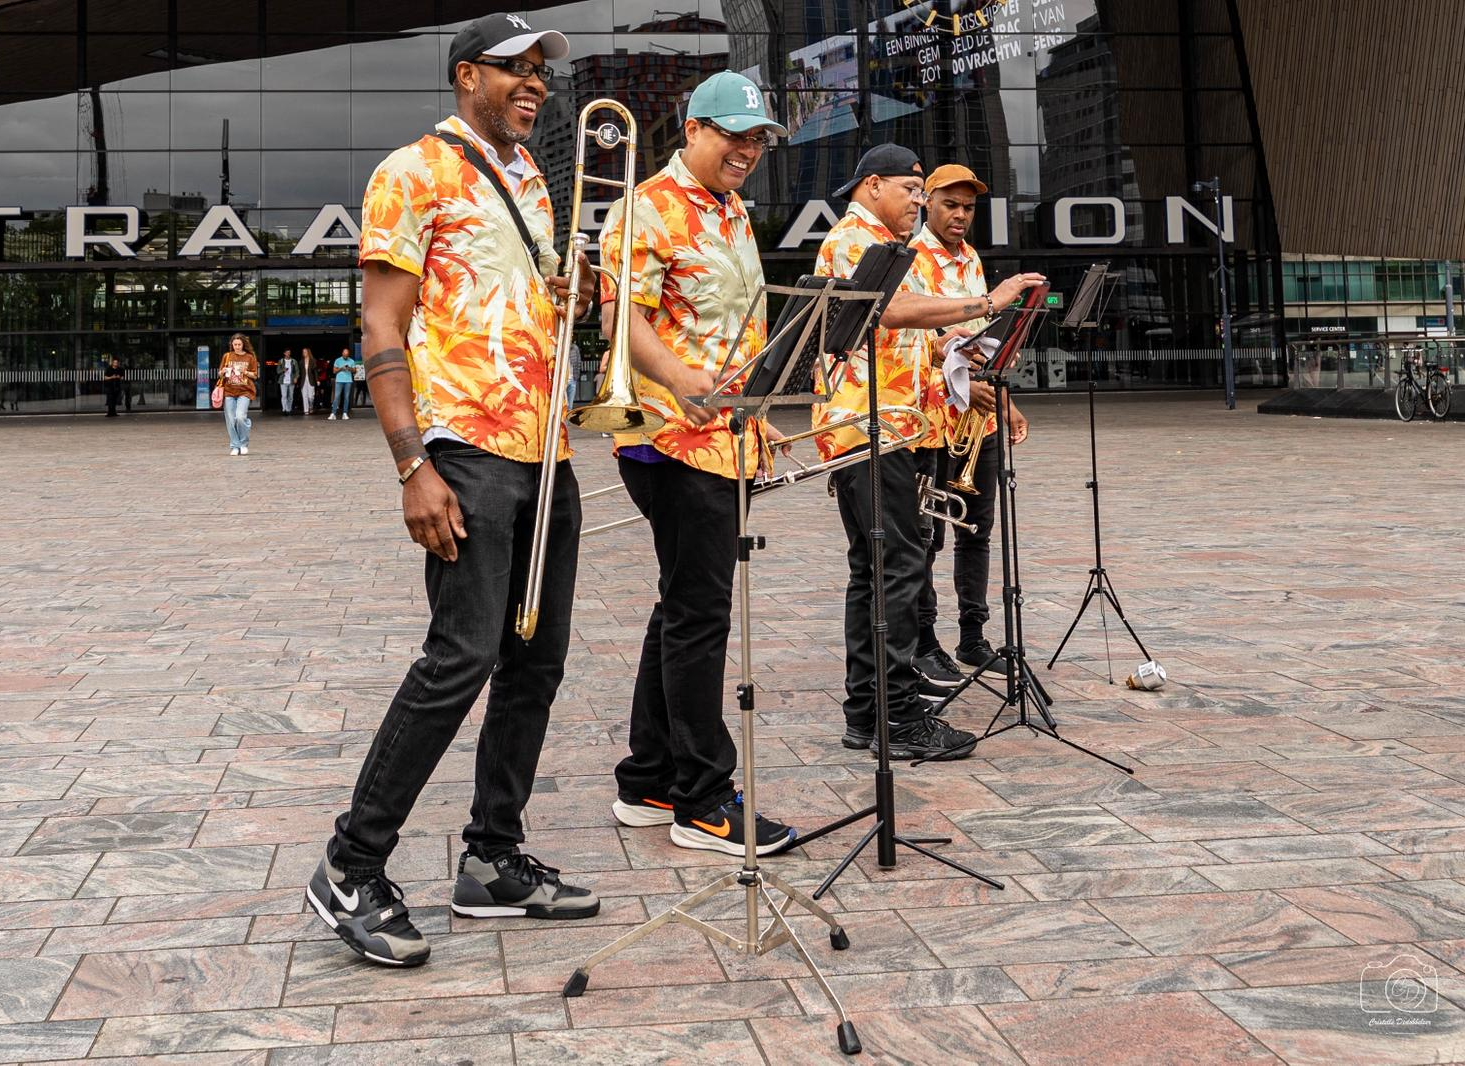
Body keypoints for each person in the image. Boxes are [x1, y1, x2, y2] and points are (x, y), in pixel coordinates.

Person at [306, 11, 598, 969]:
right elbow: (382, 328)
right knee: (460, 657)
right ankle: (352, 863)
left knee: (536, 663)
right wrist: (410, 465)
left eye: (543, 74)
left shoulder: (532, 182)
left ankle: (494, 858)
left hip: (545, 449)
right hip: (463, 448)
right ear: (468, 75)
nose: (536, 85)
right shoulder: (412, 171)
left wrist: (574, 293)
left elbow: (522, 308)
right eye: (516, 70)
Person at [597, 72, 797, 857]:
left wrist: (761, 418)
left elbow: (740, 333)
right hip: (668, 438)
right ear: (691, 129)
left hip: (725, 437)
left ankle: (649, 779)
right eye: (733, 135)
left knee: (680, 606)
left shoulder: (733, 211)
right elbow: (620, 320)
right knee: (700, 616)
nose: (747, 150)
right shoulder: (647, 206)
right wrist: (684, 382)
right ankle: (704, 801)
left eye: (758, 140)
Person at [813, 145, 1043, 760]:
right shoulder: (855, 239)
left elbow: (915, 336)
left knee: (876, 569)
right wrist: (989, 304)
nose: (918, 201)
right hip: (871, 425)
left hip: (894, 423)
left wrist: (975, 352)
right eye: (911, 190)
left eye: (922, 192)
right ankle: (896, 714)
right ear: (871, 186)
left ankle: (868, 711)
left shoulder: (887, 244)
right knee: (898, 568)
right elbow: (889, 314)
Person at [912, 164, 1041, 682]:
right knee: (924, 537)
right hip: (927, 419)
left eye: (968, 207)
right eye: (951, 205)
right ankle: (922, 641)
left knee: (977, 531)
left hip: (975, 419)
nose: (961, 215)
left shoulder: (971, 259)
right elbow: (920, 340)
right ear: (927, 201)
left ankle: (972, 636)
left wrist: (1002, 399)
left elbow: (981, 339)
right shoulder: (910, 259)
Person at [218, 333, 259, 455]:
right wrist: (223, 371)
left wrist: (244, 371)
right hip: (229, 391)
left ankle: (243, 443)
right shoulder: (227, 356)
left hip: (245, 391)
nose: (237, 346)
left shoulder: (250, 357)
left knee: (240, 417)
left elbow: (255, 375)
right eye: (234, 344)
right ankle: (235, 446)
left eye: (239, 344)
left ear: (243, 344)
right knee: (231, 419)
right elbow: (220, 374)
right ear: (231, 345)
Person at [330, 347, 357, 420]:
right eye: (344, 354)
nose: (345, 355)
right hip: (339, 381)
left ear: (348, 355)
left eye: (347, 354)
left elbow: (355, 371)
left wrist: (349, 369)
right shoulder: (338, 360)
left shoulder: (351, 361)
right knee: (336, 397)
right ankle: (333, 413)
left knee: (346, 398)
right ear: (342, 353)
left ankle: (345, 413)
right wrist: (341, 368)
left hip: (348, 381)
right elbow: (334, 371)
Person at [278, 349, 296, 414]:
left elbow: (297, 371)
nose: (288, 354)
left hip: (291, 381)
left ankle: (289, 409)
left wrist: (296, 377)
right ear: (284, 353)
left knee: (291, 396)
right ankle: (284, 409)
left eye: (289, 353)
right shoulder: (281, 361)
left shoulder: (294, 361)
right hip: (283, 381)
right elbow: (278, 371)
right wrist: (283, 370)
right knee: (284, 396)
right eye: (287, 353)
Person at [299, 349, 316, 415]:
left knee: (311, 397)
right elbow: (300, 372)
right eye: (303, 352)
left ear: (308, 352)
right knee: (304, 396)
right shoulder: (301, 362)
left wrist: (317, 380)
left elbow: (315, 371)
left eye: (305, 352)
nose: (304, 353)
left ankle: (311, 407)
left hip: (311, 380)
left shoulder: (313, 361)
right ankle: (306, 410)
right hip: (303, 381)